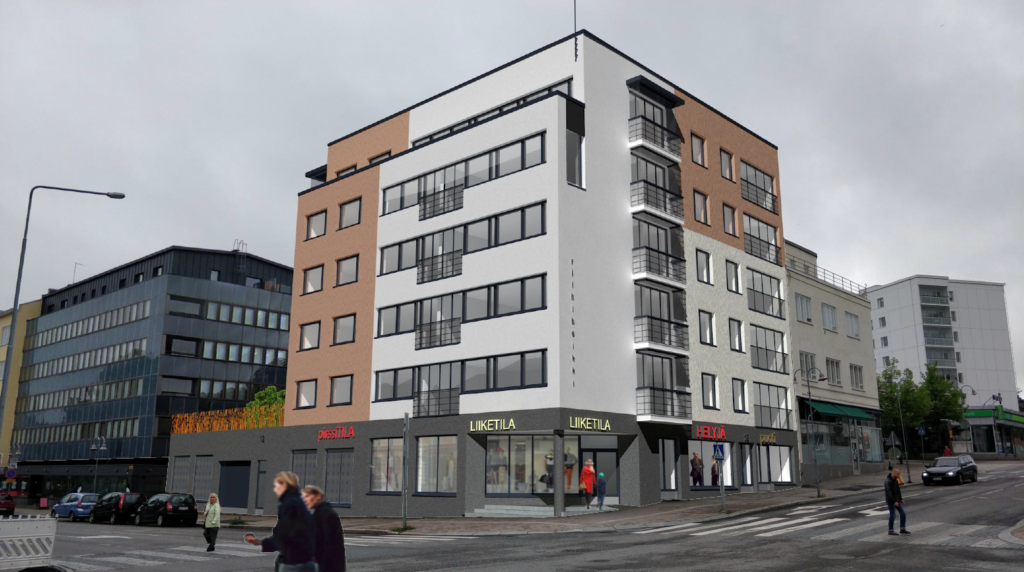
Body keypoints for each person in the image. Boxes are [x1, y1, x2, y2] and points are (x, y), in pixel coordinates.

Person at [245, 471, 316, 571]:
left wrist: (260, 542)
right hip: (307, 559)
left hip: (293, 561)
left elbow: (283, 534)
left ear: (285, 485)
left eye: (277, 485)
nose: (275, 489)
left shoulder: (289, 504)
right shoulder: (301, 503)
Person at [302, 485, 346, 572]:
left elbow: (331, 545)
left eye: (307, 496)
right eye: (303, 497)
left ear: (318, 496)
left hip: (328, 566)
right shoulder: (315, 514)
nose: (304, 500)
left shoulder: (327, 514)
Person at [885, 468, 911, 536]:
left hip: (897, 500)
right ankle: (890, 530)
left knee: (903, 513)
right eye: (898, 473)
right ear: (893, 472)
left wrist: (900, 498)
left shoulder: (895, 480)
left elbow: (898, 491)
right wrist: (894, 501)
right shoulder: (888, 481)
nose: (899, 475)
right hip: (891, 501)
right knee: (892, 515)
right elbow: (889, 492)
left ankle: (902, 529)